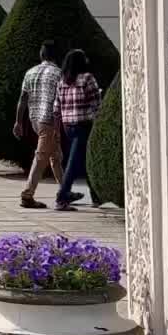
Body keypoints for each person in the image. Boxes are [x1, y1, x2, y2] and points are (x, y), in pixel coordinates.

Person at [15, 40, 64, 209]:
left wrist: (18, 122)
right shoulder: (59, 74)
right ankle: (27, 195)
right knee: (42, 156)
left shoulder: (30, 72)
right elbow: (60, 103)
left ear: (41, 55)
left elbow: (23, 99)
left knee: (55, 156)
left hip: (35, 120)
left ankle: (65, 194)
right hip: (49, 121)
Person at [54, 48, 102, 212]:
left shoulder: (62, 81)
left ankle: (96, 195)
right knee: (74, 163)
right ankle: (62, 196)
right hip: (84, 125)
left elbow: (56, 106)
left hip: (68, 126)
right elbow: (96, 104)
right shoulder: (87, 78)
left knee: (82, 159)